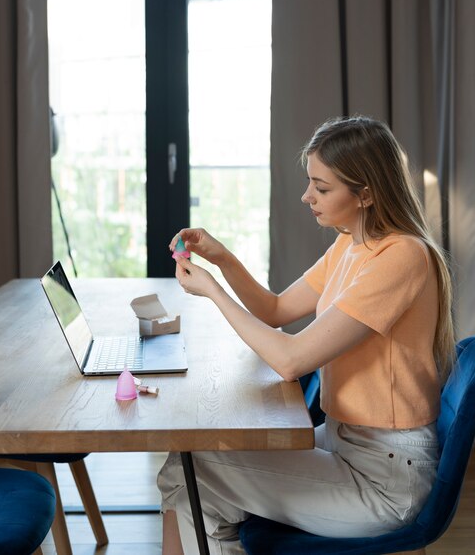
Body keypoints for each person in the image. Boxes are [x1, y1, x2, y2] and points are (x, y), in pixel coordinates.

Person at [158, 116, 455, 555]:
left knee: (188, 469)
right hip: (345, 444)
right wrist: (221, 258)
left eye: (321, 187)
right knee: (190, 463)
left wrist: (213, 292)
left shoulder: (402, 257)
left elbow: (292, 360)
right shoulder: (351, 245)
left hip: (386, 479)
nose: (307, 196)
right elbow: (275, 309)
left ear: (366, 193)